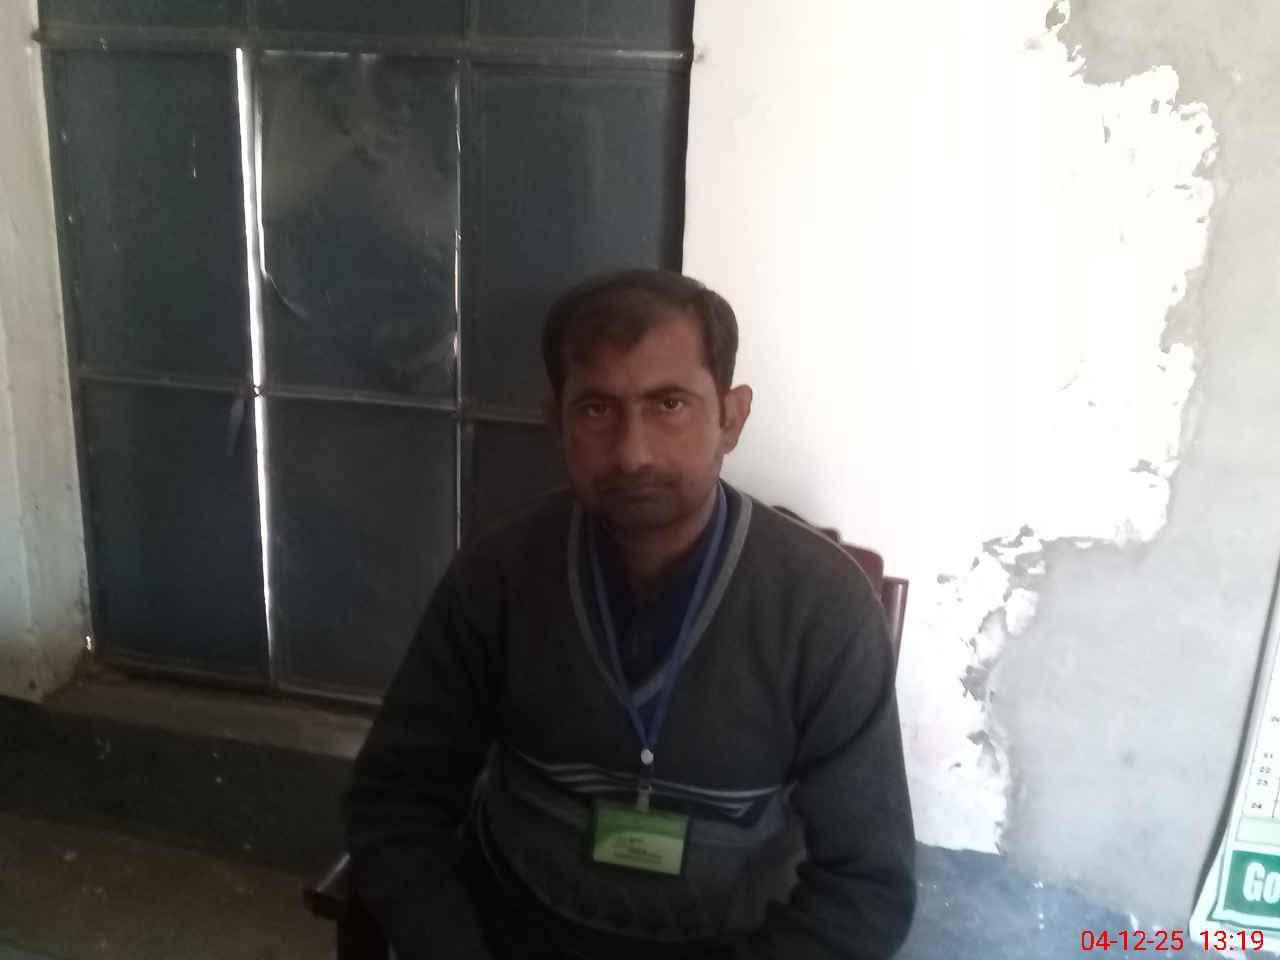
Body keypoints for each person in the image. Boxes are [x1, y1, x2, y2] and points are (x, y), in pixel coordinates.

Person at [343, 269, 916, 959]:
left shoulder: (822, 607)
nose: (632, 452)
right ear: (557, 422)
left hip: (736, 941)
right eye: (595, 409)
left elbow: (867, 886)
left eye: (669, 404)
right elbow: (396, 799)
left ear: (731, 417)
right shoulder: (496, 578)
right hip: (515, 927)